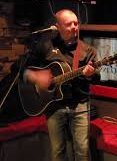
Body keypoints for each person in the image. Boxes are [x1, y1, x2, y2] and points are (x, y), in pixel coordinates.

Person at [23, 9, 98, 161]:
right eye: (69, 24)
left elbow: (96, 77)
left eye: (76, 23)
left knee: (82, 152)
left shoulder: (87, 50)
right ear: (57, 27)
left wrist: (90, 74)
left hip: (80, 105)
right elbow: (22, 71)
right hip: (52, 105)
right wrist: (35, 77)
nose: (74, 27)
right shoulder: (45, 47)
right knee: (57, 152)